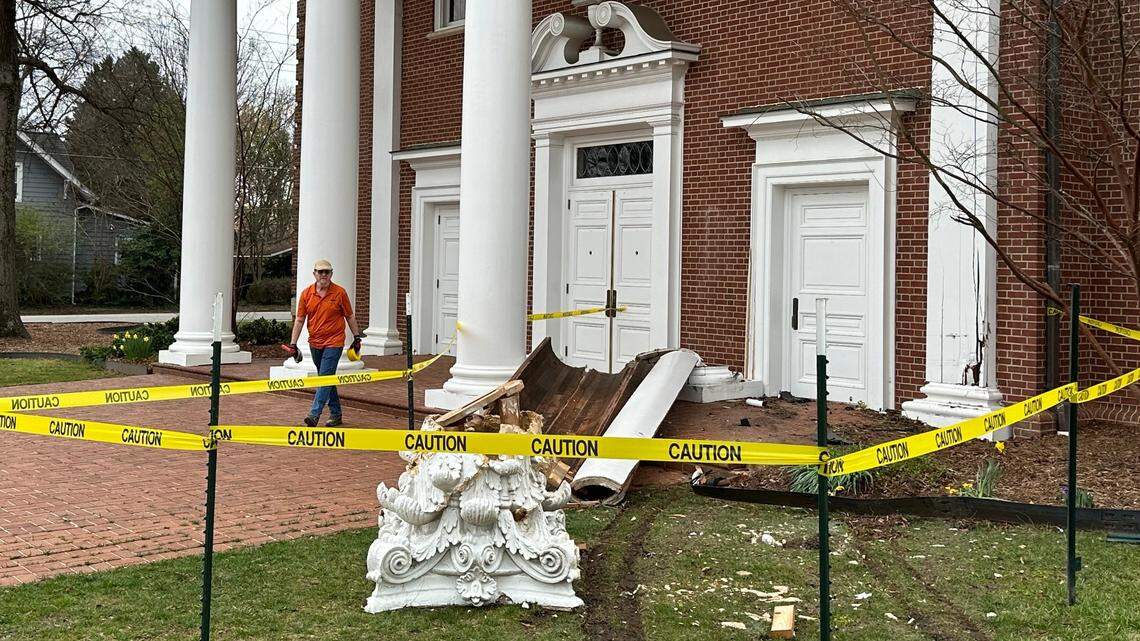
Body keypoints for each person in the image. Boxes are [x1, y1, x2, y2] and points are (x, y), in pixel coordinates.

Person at [284, 259, 364, 427]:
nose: (324, 275)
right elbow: (299, 320)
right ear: (314, 274)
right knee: (325, 377)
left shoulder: (340, 293)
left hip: (334, 341)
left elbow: (349, 316)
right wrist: (293, 344)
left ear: (331, 274)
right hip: (315, 343)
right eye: (320, 272)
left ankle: (314, 414)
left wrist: (357, 338)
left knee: (325, 376)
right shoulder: (306, 294)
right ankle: (336, 413)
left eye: (327, 272)